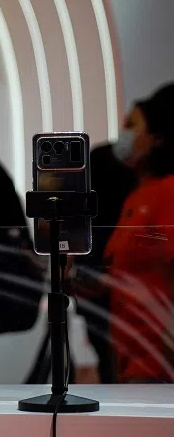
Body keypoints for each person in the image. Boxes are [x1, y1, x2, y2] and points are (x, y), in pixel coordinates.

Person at [103, 83, 174, 382]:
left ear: (157, 137)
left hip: (160, 362)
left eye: (131, 126)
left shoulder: (168, 192)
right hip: (131, 359)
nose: (124, 135)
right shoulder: (136, 197)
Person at [71, 139, 137, 383]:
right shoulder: (128, 214)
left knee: (109, 360)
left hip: (97, 283)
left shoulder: (91, 222)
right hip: (114, 289)